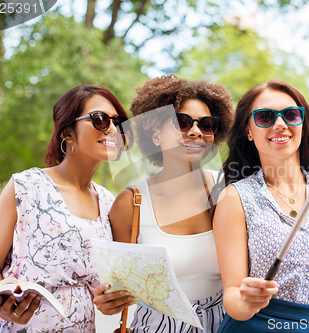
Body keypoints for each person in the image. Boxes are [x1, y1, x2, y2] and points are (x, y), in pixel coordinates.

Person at [212, 80, 309, 333]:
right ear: (248, 131)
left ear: (302, 123)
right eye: (265, 117)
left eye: (291, 115)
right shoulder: (234, 198)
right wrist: (246, 301)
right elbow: (232, 297)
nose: (280, 124)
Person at [0, 85, 131, 332]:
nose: (112, 128)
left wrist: (108, 302)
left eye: (118, 121)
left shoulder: (108, 202)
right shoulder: (26, 186)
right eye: (100, 119)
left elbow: (104, 290)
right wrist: (1, 304)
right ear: (67, 133)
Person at [93, 75, 234, 333]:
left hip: (224, 324)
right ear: (155, 134)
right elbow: (115, 290)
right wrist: (107, 301)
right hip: (158, 326)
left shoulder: (228, 191)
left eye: (206, 124)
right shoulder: (130, 203)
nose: (195, 131)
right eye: (181, 122)